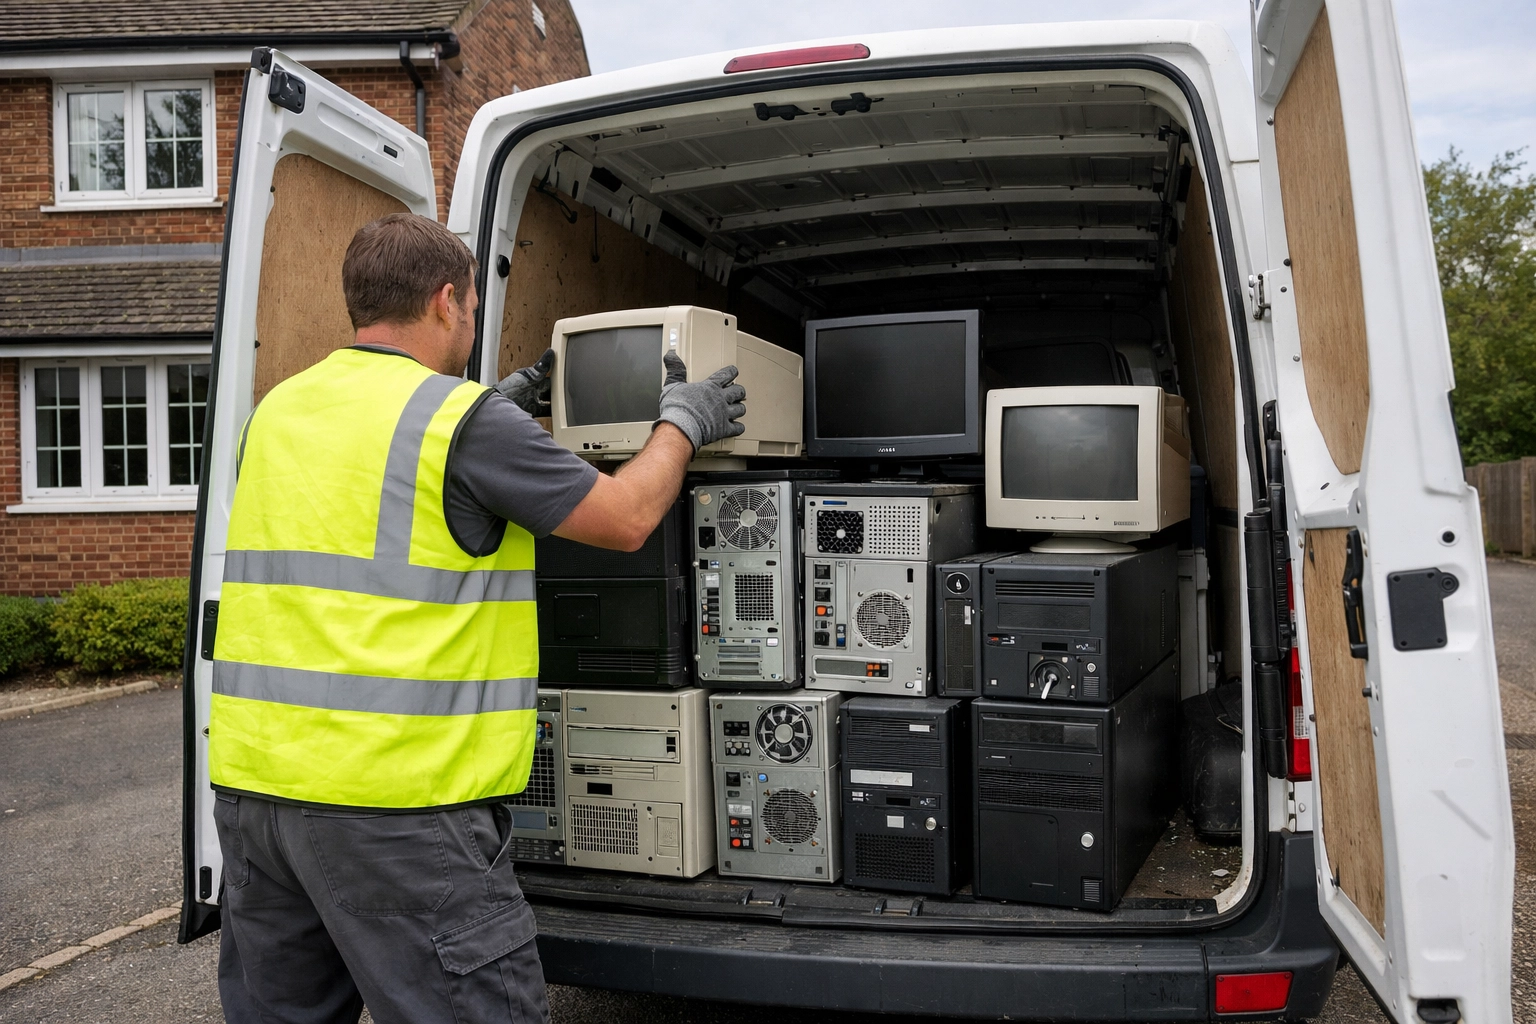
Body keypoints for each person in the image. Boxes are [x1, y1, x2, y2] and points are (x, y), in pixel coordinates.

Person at [208, 212, 745, 1024]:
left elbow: (366, 506)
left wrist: (488, 421)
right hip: (398, 814)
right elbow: (628, 517)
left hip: (256, 802)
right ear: (447, 300)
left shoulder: (276, 412)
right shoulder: (458, 420)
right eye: (467, 311)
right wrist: (684, 422)